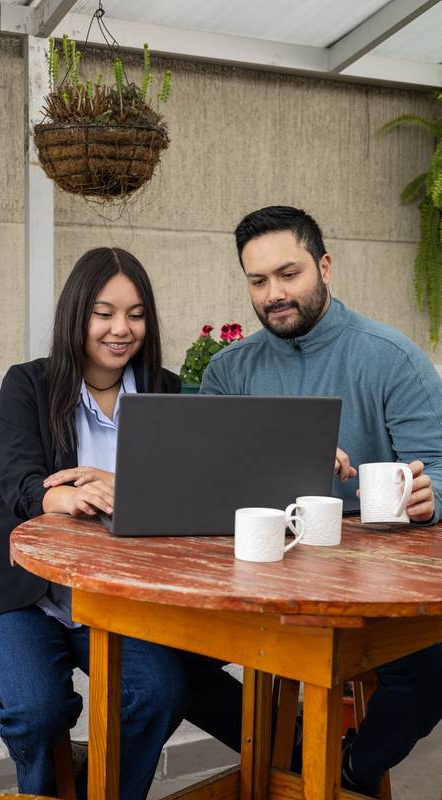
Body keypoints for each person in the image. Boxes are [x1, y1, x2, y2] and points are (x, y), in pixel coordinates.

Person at [0, 247, 242, 800]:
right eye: (104, 312)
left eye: (136, 313)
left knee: (162, 693)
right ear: (77, 314)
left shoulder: (167, 393)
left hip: (112, 598)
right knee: (38, 709)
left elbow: (199, 490)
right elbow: (20, 483)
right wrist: (64, 495)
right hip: (16, 591)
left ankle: (104, 789)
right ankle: (47, 787)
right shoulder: (29, 384)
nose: (122, 329)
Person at [201, 206, 442, 796]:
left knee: (436, 661)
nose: (274, 294)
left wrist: (429, 497)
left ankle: (353, 765)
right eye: (258, 282)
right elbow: (205, 480)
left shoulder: (391, 358)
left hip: (375, 585)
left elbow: (438, 463)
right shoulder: (230, 370)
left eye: (289, 274)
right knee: (159, 657)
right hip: (256, 579)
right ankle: (298, 751)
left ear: (325, 266)